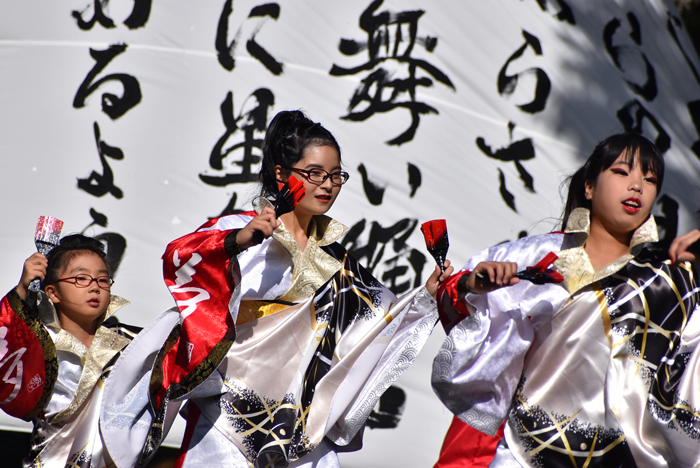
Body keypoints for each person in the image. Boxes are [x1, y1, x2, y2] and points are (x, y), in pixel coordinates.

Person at [102, 110, 453, 468]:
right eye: (315, 173)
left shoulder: (338, 261)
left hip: (302, 431)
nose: (327, 184)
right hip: (226, 423)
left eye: (335, 175)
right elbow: (181, 257)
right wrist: (238, 242)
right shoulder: (241, 230)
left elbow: (379, 324)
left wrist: (426, 298)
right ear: (281, 174)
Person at [431, 132, 700, 467]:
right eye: (621, 172)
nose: (637, 187)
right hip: (518, 451)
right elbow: (454, 299)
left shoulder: (666, 282)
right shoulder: (539, 255)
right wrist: (474, 284)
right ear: (588, 186)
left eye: (650, 180)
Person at [0, 234, 140, 466]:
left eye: (103, 280)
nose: (94, 286)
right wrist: (23, 290)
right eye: (81, 278)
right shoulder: (38, 343)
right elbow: (6, 348)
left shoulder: (131, 342)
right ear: (53, 293)